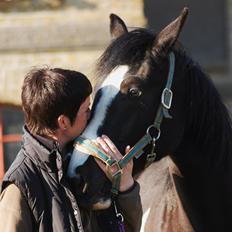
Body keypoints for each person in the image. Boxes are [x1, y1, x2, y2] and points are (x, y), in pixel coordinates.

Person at [0, 67, 142, 232]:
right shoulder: (18, 188)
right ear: (63, 122)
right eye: (86, 110)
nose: (91, 116)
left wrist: (124, 185)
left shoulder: (86, 164)